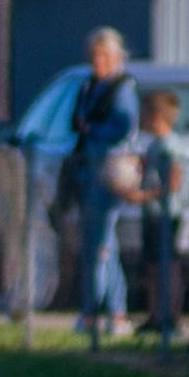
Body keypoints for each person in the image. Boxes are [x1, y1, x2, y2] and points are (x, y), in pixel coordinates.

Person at [67, 27, 140, 338]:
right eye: (95, 55)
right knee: (102, 243)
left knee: (101, 243)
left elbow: (123, 125)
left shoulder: (122, 87)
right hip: (90, 170)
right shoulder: (90, 86)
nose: (98, 61)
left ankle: (94, 312)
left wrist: (93, 128)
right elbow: (77, 120)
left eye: (104, 55)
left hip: (109, 171)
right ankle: (114, 312)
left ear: (116, 57)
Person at [120, 90, 185, 341]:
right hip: (152, 216)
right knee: (152, 267)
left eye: (145, 113)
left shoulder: (170, 145)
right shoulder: (154, 145)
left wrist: (142, 197)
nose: (141, 118)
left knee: (167, 267)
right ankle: (156, 316)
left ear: (156, 116)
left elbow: (174, 182)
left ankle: (170, 318)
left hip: (165, 216)